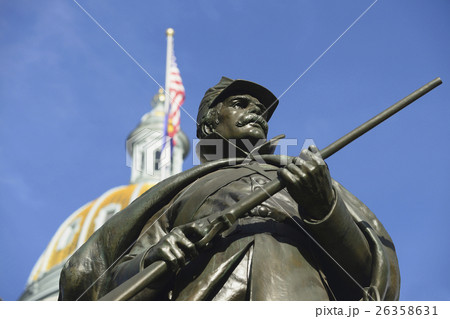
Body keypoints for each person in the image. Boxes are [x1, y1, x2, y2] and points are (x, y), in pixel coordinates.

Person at [59, 77, 400, 301]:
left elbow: (372, 276)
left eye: (261, 109)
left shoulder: (306, 177)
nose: (257, 112)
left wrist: (324, 209)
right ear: (210, 121)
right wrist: (156, 255)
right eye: (240, 103)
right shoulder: (181, 193)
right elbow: (108, 282)